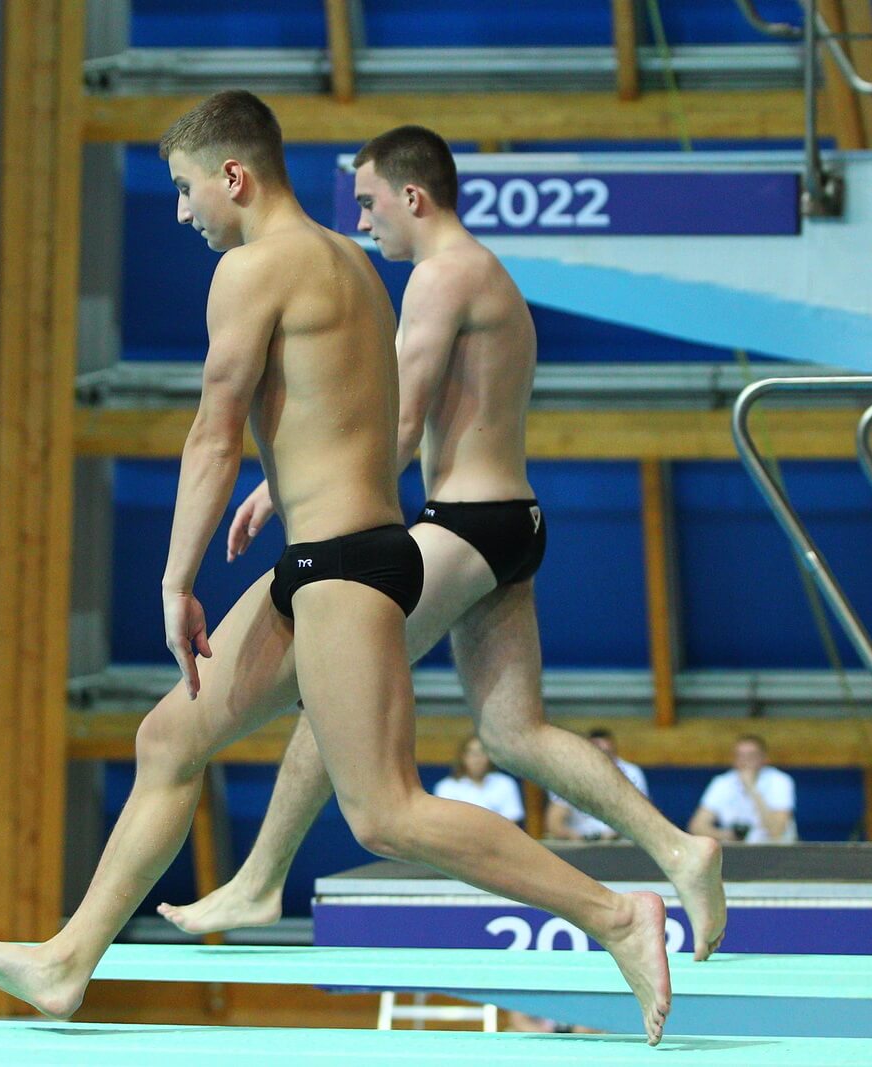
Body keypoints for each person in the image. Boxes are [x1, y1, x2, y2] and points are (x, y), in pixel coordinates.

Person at [0, 92, 672, 1046]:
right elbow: (350, 424)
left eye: (184, 189)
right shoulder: (351, 264)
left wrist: (174, 581)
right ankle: (69, 959)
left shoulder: (253, 270)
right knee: (169, 740)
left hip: (347, 571)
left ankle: (617, 914)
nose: (181, 212)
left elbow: (213, 438)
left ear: (234, 177)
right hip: (329, 560)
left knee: (386, 813)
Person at [156, 124, 726, 967]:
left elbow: (398, 423)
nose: (362, 224)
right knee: (515, 733)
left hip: (461, 526)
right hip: (511, 524)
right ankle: (681, 850)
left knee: (335, 673)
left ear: (412, 198)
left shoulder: (438, 278)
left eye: (368, 204)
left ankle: (260, 877)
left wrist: (283, 492)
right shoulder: (488, 272)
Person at [689, 735, 798, 844]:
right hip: (735, 851)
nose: (745, 761)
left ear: (764, 758)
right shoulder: (722, 782)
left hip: (775, 850)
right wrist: (728, 835)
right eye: (740, 756)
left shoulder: (780, 781)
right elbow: (697, 827)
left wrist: (751, 788)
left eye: (751, 756)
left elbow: (776, 831)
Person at [546, 728, 650, 841]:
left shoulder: (631, 773)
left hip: (620, 842)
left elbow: (642, 816)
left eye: (607, 754)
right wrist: (573, 836)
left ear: (614, 753)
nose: (602, 759)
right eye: (597, 753)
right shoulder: (570, 775)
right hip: (580, 843)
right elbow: (554, 822)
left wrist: (616, 833)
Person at [434, 735, 525, 823]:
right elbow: (446, 824)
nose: (477, 759)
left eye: (482, 752)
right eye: (472, 753)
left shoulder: (505, 783)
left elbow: (512, 821)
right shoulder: (446, 787)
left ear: (490, 756)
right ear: (463, 757)